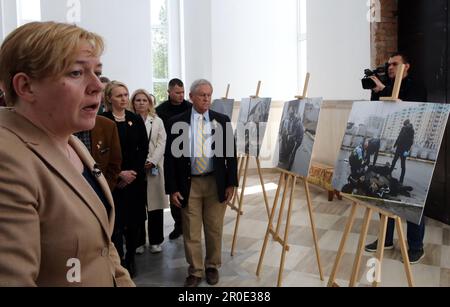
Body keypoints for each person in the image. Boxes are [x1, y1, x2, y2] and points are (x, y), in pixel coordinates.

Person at [0, 21, 134, 286]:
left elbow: (102, 247)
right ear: (26, 87)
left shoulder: (71, 141)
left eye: (97, 72)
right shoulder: (7, 160)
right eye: (76, 73)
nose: (97, 85)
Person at [164, 79, 238, 287]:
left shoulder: (221, 120)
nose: (206, 98)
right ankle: (195, 271)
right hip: (190, 184)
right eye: (202, 95)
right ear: (191, 97)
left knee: (214, 228)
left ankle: (212, 266)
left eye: (209, 94)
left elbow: (230, 155)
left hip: (216, 182)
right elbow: (170, 158)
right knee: (191, 229)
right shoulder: (177, 122)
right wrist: (172, 189)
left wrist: (231, 183)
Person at [365, 52, 426, 264]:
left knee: (410, 203)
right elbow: (378, 110)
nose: (390, 67)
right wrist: (377, 92)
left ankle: (416, 246)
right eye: (388, 64)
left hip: (407, 149)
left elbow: (414, 111)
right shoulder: (385, 85)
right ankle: (386, 239)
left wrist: (387, 91)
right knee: (383, 192)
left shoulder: (416, 86)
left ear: (406, 66)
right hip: (393, 147)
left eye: (395, 64)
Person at [102, 81, 149, 277]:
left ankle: (130, 257)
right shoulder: (102, 120)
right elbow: (100, 152)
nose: (123, 98)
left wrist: (132, 174)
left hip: (135, 180)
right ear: (109, 98)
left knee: (134, 221)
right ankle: (118, 259)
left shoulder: (135, 119)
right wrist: (119, 174)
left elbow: (143, 148)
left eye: (125, 94)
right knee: (117, 223)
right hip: (113, 181)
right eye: (119, 95)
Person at [132, 89, 168, 254]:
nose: (141, 103)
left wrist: (151, 161)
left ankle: (155, 241)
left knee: (155, 206)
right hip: (135, 169)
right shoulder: (129, 120)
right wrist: (139, 163)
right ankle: (138, 241)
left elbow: (162, 143)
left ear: (149, 103)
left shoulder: (157, 121)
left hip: (153, 168)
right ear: (133, 103)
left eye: (144, 100)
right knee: (137, 206)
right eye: (138, 100)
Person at [156, 78, 192, 240]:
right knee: (174, 190)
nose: (180, 95)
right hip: (169, 154)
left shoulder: (190, 108)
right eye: (177, 92)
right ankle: (178, 225)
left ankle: (189, 224)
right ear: (169, 92)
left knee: (188, 191)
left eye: (183, 92)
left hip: (188, 154)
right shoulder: (160, 110)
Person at [74, 115, 122, 191]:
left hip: (99, 192)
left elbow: (114, 164)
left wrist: (105, 190)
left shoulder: (108, 125)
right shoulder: (57, 125)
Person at [278, 102, 304, 170]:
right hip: (295, 138)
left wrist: (289, 135)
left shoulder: (298, 123)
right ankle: (285, 160)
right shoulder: (294, 120)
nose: (291, 118)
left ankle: (289, 168)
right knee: (288, 147)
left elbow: (294, 133)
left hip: (298, 140)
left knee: (293, 152)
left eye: (292, 117)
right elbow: (291, 131)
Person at [390, 120, 414, 184]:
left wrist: (407, 150)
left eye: (405, 125)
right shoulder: (403, 128)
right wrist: (395, 145)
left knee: (402, 165)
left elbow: (411, 141)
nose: (404, 126)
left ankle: (401, 180)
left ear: (407, 124)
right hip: (399, 148)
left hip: (404, 150)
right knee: (394, 161)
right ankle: (389, 174)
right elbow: (399, 137)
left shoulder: (411, 130)